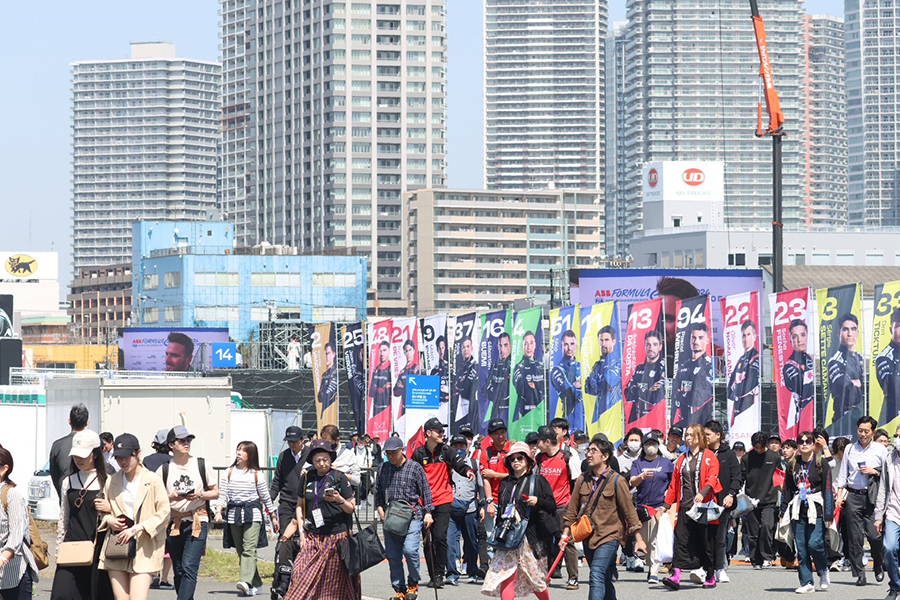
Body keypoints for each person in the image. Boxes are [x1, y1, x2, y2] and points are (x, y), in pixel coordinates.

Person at [561, 436, 645, 600]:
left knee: (596, 574)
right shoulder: (582, 479)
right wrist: (565, 534)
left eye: (594, 451)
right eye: (588, 451)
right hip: (588, 537)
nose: (589, 454)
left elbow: (630, 511)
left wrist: (639, 539)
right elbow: (572, 509)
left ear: (605, 456)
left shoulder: (617, 481)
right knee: (604, 578)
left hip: (610, 536)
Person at [282, 439, 359, 600]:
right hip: (313, 536)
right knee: (300, 573)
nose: (322, 463)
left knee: (332, 585)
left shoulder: (339, 477)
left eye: (325, 459)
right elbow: (299, 506)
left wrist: (339, 500)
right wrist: (302, 533)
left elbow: (351, 508)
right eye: (318, 460)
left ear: (331, 459)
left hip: (337, 537)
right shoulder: (307, 477)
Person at [96, 434, 171, 600]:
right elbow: (103, 511)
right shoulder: (112, 480)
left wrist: (139, 527)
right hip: (117, 545)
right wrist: (109, 520)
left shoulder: (153, 480)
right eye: (118, 457)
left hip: (145, 546)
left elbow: (164, 512)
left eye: (126, 457)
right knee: (121, 597)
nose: (122, 462)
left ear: (137, 453)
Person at [482, 442, 557, 600]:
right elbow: (502, 510)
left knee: (536, 579)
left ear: (528, 461)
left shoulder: (538, 481)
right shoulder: (505, 483)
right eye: (512, 459)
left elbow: (552, 505)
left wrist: (537, 502)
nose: (516, 461)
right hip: (507, 536)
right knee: (505, 576)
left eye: (520, 458)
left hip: (530, 537)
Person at [410, 418, 474, 589]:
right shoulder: (418, 454)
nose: (442, 433)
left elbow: (459, 464)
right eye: (438, 431)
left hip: (444, 500)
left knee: (440, 537)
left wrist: (468, 471)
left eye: (442, 431)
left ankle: (439, 574)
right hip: (425, 503)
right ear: (428, 433)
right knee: (428, 540)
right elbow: (414, 480)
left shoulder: (446, 451)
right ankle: (432, 575)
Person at [157, 426, 218, 600]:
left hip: (198, 520)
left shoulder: (201, 464)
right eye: (182, 440)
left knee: (189, 566)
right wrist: (171, 496)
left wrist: (199, 494)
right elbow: (155, 498)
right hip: (174, 522)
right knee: (178, 570)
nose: (186, 444)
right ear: (171, 444)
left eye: (189, 440)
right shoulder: (164, 469)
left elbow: (216, 492)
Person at [659, 424, 722, 589]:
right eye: (686, 435)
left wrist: (703, 492)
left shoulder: (709, 456)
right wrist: (666, 504)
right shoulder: (681, 459)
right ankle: (676, 575)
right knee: (680, 540)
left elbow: (713, 478)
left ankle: (710, 575)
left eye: (691, 435)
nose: (687, 438)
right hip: (684, 506)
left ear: (699, 437)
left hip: (703, 507)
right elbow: (674, 484)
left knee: (704, 543)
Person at [51, 430, 113, 600]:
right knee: (62, 593)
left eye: (83, 455)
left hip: (98, 549)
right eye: (75, 455)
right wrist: (59, 551)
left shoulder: (107, 480)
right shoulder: (68, 481)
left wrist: (110, 508)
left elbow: (121, 512)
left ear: (95, 454)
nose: (78, 459)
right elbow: (64, 517)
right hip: (71, 547)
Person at [214, 441, 279, 597]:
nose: (239, 453)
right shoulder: (228, 472)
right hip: (234, 514)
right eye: (238, 449)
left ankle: (245, 581)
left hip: (253, 514)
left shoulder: (257, 474)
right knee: (241, 550)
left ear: (251, 455)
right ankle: (257, 583)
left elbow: (265, 497)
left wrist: (273, 517)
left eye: (243, 450)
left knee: (249, 548)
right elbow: (223, 495)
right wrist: (218, 511)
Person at [375, 437, 433, 600]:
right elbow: (378, 492)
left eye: (394, 453)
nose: (391, 456)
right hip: (391, 517)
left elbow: (426, 491)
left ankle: (413, 584)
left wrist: (428, 512)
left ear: (402, 450)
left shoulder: (415, 467)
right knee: (393, 555)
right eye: (388, 453)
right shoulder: (383, 468)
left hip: (413, 516)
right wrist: (380, 510)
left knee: (410, 550)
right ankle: (399, 589)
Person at [835, 415, 887, 586]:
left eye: (866, 431)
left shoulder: (880, 450)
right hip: (853, 496)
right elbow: (843, 474)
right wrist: (839, 495)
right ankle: (860, 574)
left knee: (875, 536)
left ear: (873, 432)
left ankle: (878, 563)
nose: (863, 434)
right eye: (860, 430)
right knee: (855, 537)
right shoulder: (850, 449)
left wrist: (874, 471)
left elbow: (888, 474)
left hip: (873, 496)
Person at [783, 431, 834, 593]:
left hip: (817, 507)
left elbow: (827, 488)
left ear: (814, 445)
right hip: (798, 509)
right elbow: (788, 489)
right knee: (802, 547)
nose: (804, 444)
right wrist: (784, 511)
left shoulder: (821, 462)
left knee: (815, 544)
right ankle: (807, 582)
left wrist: (828, 513)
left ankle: (822, 569)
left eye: (808, 441)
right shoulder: (793, 464)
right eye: (801, 441)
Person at [536, 425, 582, 589]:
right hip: (544, 507)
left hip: (563, 507)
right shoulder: (539, 458)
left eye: (539, 441)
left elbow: (577, 482)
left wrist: (577, 507)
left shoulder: (568, 456)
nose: (537, 444)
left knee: (566, 543)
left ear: (547, 441)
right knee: (544, 542)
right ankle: (545, 575)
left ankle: (573, 578)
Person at [629, 432, 674, 584]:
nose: (651, 447)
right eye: (648, 444)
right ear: (643, 446)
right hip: (642, 508)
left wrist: (668, 502)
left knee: (655, 540)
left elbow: (673, 484)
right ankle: (648, 564)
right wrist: (641, 477)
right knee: (645, 541)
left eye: (653, 444)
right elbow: (632, 482)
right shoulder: (638, 463)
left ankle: (654, 571)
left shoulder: (666, 463)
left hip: (659, 507)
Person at [703, 420, 742, 584]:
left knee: (720, 537)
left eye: (708, 435)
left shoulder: (729, 454)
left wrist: (731, 494)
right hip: (703, 502)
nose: (705, 438)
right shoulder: (702, 452)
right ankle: (704, 568)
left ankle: (720, 568)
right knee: (704, 537)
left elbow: (737, 477)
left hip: (723, 502)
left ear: (718, 435)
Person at [0, 447, 40, 600]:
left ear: (4, 469)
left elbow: (17, 533)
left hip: (14, 572)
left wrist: (3, 558)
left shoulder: (11, 495)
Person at [446, 435, 486, 585]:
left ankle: (472, 572)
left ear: (467, 447)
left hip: (470, 507)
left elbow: (480, 486)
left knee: (471, 542)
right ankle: (452, 574)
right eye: (455, 446)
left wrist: (482, 506)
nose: (458, 449)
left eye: (461, 446)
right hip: (451, 507)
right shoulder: (448, 464)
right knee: (450, 541)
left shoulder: (474, 464)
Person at [742, 431, 780, 569]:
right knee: (752, 533)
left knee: (766, 527)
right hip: (751, 500)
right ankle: (755, 559)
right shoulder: (747, 458)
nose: (758, 450)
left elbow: (780, 476)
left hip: (769, 499)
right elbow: (741, 477)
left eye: (761, 447)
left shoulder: (774, 457)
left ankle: (767, 557)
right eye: (756, 447)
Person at [670, 323, 713, 430]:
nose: (696, 341)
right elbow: (675, 394)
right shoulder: (684, 366)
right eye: (693, 338)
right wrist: (685, 395)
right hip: (683, 422)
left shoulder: (708, 365)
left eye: (700, 338)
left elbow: (700, 398)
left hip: (700, 423)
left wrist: (682, 395)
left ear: (707, 341)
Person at [826, 314, 864, 428]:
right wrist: (853, 382)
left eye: (853, 329)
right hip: (843, 419)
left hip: (862, 417)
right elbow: (842, 385)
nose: (850, 333)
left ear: (857, 333)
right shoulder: (835, 361)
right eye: (845, 329)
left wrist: (855, 381)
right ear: (839, 333)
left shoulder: (860, 358)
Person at [875, 429, 900, 600]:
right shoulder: (890, 458)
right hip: (893, 513)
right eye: (897, 436)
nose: (898, 439)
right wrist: (878, 516)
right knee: (889, 549)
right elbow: (883, 488)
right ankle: (895, 586)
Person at [657, 276, 700, 372]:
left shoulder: (713, 358)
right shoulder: (639, 358)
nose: (660, 325)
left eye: (668, 319)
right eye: (659, 317)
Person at [50, 403, 91, 497]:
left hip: (66, 496)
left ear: (69, 421)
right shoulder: (93, 444)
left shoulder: (57, 445)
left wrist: (62, 494)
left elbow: (54, 475)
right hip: (89, 498)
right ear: (87, 422)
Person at [625, 330, 666, 424]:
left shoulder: (663, 369)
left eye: (655, 344)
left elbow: (654, 398)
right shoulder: (639, 368)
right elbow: (627, 393)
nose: (651, 348)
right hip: (636, 419)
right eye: (648, 344)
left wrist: (636, 390)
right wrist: (648, 390)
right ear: (644, 346)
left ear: (660, 347)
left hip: (655, 419)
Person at [481, 419, 512, 534]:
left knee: (509, 536)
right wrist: (489, 502)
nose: (500, 436)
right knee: (490, 538)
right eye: (496, 433)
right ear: (490, 435)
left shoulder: (513, 451)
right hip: (493, 501)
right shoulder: (486, 453)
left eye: (503, 432)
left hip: (511, 501)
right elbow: (486, 479)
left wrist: (495, 474)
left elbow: (516, 477)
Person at [727, 320, 760, 427]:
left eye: (748, 335)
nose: (745, 339)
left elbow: (751, 382)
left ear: (754, 336)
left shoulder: (756, 357)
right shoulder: (741, 359)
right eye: (743, 336)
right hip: (736, 408)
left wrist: (737, 390)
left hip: (749, 408)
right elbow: (730, 386)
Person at [783, 320, 815, 432]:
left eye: (802, 335)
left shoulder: (811, 359)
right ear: (791, 340)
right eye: (795, 336)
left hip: (817, 413)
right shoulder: (789, 367)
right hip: (802, 416)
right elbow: (802, 386)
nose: (799, 340)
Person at [584, 326, 622, 421]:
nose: (603, 344)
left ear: (614, 342)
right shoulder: (598, 364)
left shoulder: (617, 363)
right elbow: (587, 388)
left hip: (612, 412)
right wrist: (597, 384)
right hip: (598, 414)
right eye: (601, 340)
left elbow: (605, 384)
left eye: (606, 340)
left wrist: (595, 382)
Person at [550, 330, 583, 429]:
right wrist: (579, 388)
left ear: (576, 345)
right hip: (567, 420)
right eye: (566, 344)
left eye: (572, 344)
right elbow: (569, 392)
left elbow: (593, 390)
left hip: (584, 420)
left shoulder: (581, 367)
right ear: (561, 346)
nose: (569, 348)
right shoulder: (557, 370)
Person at [875, 308, 900, 426]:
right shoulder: (884, 357)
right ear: (891, 329)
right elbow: (892, 386)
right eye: (898, 326)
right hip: (893, 418)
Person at [512, 332, 544, 420]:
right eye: (526, 344)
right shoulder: (518, 367)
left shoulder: (541, 366)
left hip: (542, 412)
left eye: (531, 343)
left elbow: (547, 388)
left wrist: (535, 386)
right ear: (522, 346)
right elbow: (524, 390)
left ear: (535, 345)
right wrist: (538, 388)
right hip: (527, 414)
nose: (528, 347)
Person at [484, 333, 512, 425]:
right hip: (496, 409)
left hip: (509, 410)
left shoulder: (514, 366)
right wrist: (495, 395)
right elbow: (485, 389)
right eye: (500, 345)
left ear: (510, 346)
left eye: (505, 345)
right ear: (497, 347)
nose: (503, 349)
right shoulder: (494, 366)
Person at [452, 336, 479, 433]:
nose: (466, 349)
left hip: (470, 408)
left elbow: (466, 388)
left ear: (472, 348)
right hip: (459, 408)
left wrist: (460, 388)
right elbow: (455, 387)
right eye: (463, 347)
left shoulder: (475, 366)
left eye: (468, 346)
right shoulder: (460, 368)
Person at [392, 340, 419, 409]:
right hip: (404, 408)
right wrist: (403, 388)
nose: (408, 353)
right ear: (404, 352)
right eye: (406, 351)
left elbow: (417, 390)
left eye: (410, 350)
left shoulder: (417, 369)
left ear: (414, 351)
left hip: (415, 406)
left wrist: (403, 388)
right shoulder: (402, 371)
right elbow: (395, 392)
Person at [369, 341, 393, 418]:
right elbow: (371, 391)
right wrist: (382, 388)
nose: (382, 353)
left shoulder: (391, 368)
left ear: (389, 351)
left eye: (384, 350)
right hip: (376, 408)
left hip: (388, 408)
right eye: (380, 351)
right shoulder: (376, 369)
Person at [318, 343, 338, 412]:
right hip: (324, 411)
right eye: (325, 354)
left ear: (334, 354)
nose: (326, 357)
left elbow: (328, 395)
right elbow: (319, 397)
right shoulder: (324, 374)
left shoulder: (336, 373)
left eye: (328, 353)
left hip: (332, 410)